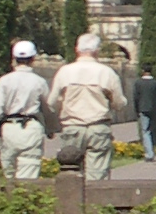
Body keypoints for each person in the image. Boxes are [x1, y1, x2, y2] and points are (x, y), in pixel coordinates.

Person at [51, 31, 125, 173]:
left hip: (72, 126)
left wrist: (65, 104)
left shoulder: (65, 72)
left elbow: (52, 102)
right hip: (98, 126)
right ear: (97, 51)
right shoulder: (106, 72)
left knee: (71, 171)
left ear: (77, 49)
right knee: (97, 173)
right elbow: (119, 104)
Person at [0, 39, 53, 179]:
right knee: (29, 172)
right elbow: (48, 108)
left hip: (9, 129)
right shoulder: (38, 81)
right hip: (30, 128)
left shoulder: (4, 80)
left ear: (14, 59)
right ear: (33, 59)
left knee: (9, 172)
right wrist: (51, 129)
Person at [132, 53, 156, 166]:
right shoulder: (155, 83)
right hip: (154, 109)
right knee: (154, 130)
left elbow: (136, 96)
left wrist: (136, 109)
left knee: (145, 131)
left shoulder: (138, 83)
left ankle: (149, 153)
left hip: (143, 108)